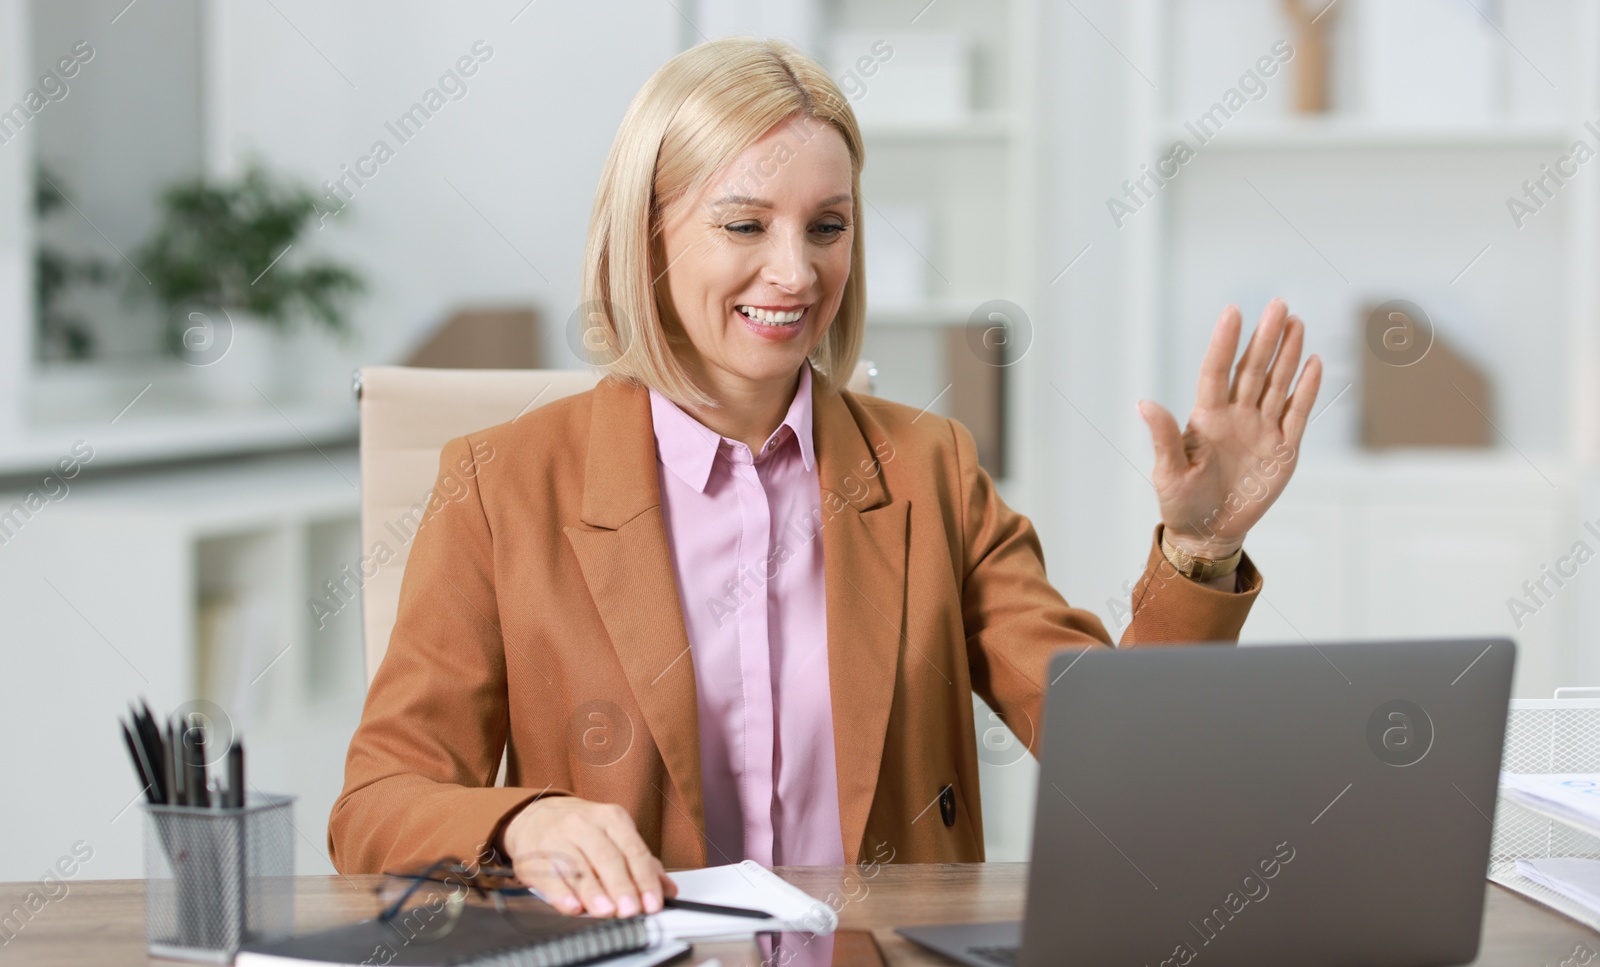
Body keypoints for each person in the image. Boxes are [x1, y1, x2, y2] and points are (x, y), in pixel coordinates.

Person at [328, 37, 1320, 921]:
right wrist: (523, 821)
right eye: (745, 224)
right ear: (648, 238)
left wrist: (1202, 547)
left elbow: (1121, 758)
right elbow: (377, 803)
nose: (796, 272)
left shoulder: (932, 469)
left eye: (827, 226)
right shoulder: (501, 487)